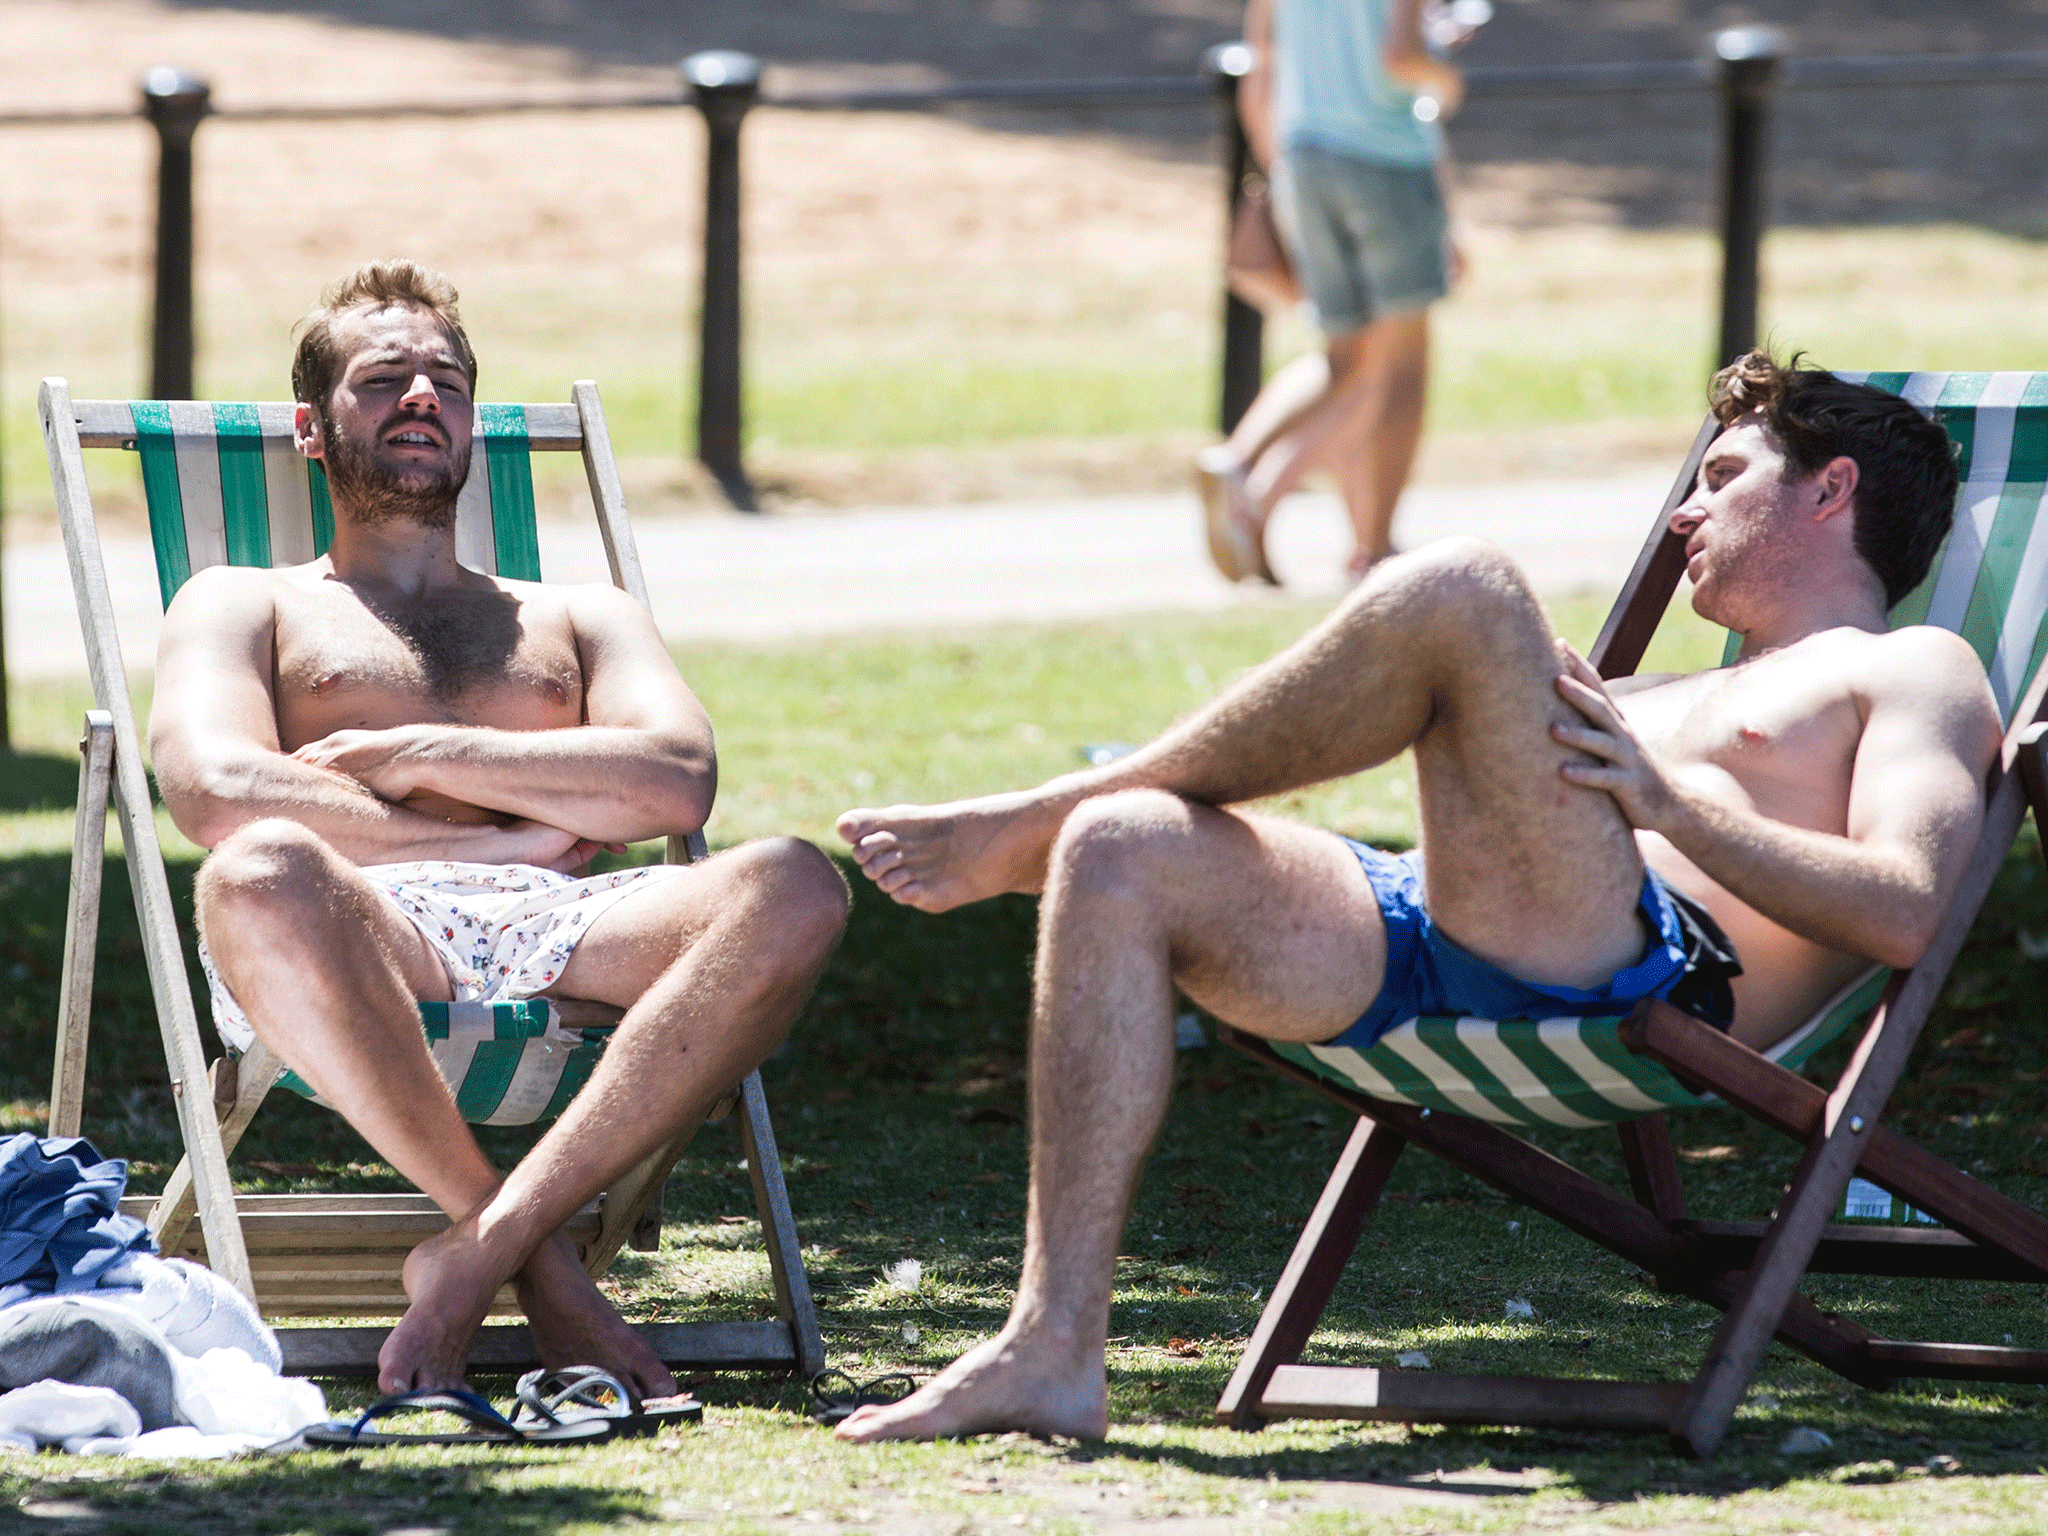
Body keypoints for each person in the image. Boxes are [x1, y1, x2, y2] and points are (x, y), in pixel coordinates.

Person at [833, 354, 1999, 1440]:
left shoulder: (1910, 668)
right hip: (1453, 929)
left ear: (1829, 489)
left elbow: (1906, 907)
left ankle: (1031, 813)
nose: (1683, 513)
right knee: (1122, 844)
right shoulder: (1655, 685)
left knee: (1464, 581)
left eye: (1719, 478)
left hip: (1652, 974)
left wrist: (1670, 806)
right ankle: (1050, 1347)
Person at [149, 260, 850, 1400]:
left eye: (447, 380)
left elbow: (675, 783)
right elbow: (219, 792)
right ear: (311, 429)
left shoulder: (578, 614)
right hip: (363, 929)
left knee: (793, 885)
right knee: (259, 868)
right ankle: (555, 1279)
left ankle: (484, 1245)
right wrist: (501, 835)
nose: (421, 397)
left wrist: (421, 754)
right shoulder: (244, 600)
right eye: (383, 380)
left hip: (571, 921)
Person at [1197, 0, 1468, 586]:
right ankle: (1374, 551)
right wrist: (1449, 78)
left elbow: (1258, 73)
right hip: (1385, 161)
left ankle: (1237, 463)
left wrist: (1283, 169)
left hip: (1301, 162)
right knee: (1403, 367)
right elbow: (1402, 60)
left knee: (1345, 359)